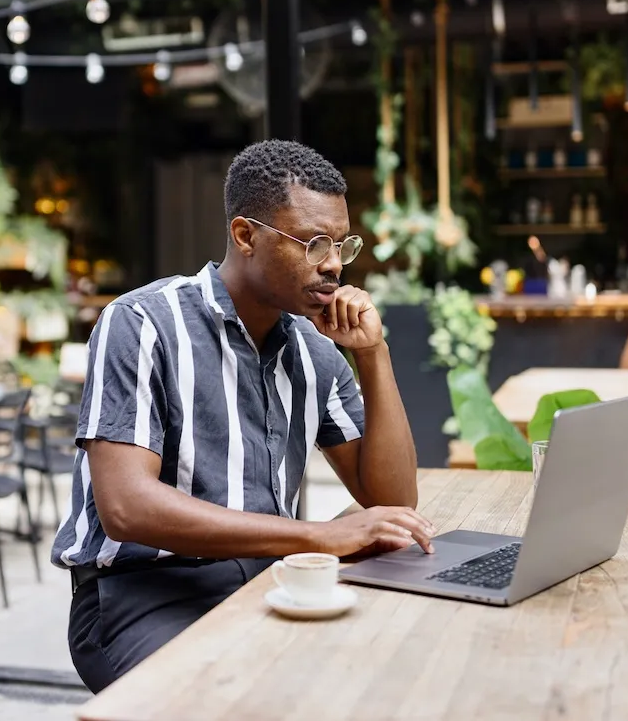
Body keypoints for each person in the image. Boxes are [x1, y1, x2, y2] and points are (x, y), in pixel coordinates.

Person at [51, 139, 434, 693]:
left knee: (384, 673)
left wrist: (373, 355)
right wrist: (317, 537)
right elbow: (127, 509)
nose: (332, 264)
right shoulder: (141, 323)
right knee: (234, 699)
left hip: (266, 579)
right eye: (313, 243)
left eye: (342, 245)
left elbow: (392, 499)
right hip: (141, 595)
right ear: (245, 235)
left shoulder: (314, 348)